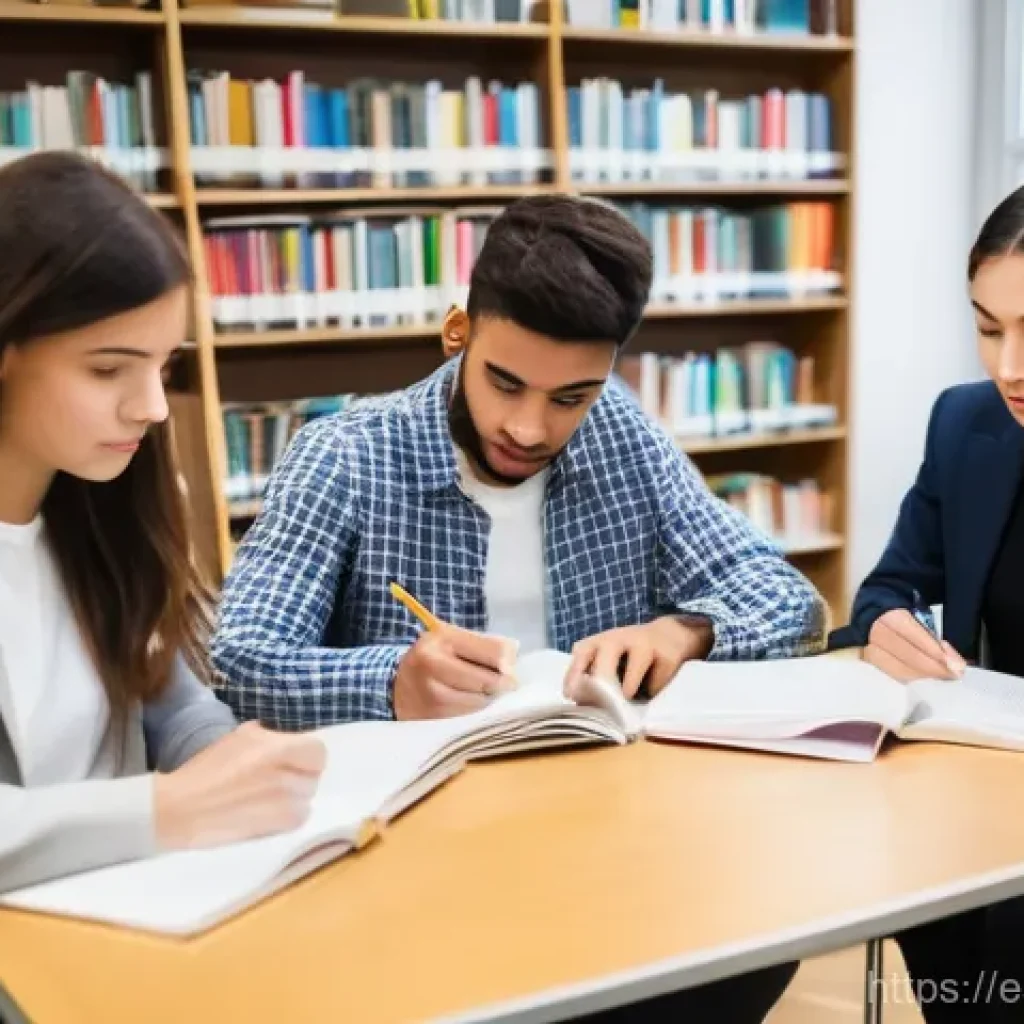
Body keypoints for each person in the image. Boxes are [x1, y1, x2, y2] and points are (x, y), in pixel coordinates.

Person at [212, 193, 827, 1022]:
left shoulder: (621, 437)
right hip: (414, 854)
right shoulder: (346, 458)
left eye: (571, 395)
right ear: (457, 331)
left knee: (757, 937)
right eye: (506, 383)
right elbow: (242, 658)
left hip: (605, 836)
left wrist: (685, 629)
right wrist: (391, 681)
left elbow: (786, 597)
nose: (531, 428)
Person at [0, 152, 326, 895]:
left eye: (162, 367)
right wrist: (165, 810)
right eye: (108, 370)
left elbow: (171, 707)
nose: (150, 408)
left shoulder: (97, 510)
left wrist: (236, 765)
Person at [838, 184, 1024, 1022]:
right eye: (988, 329)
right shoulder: (964, 424)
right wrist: (886, 626)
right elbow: (887, 589)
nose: (1007, 368)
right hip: (982, 794)